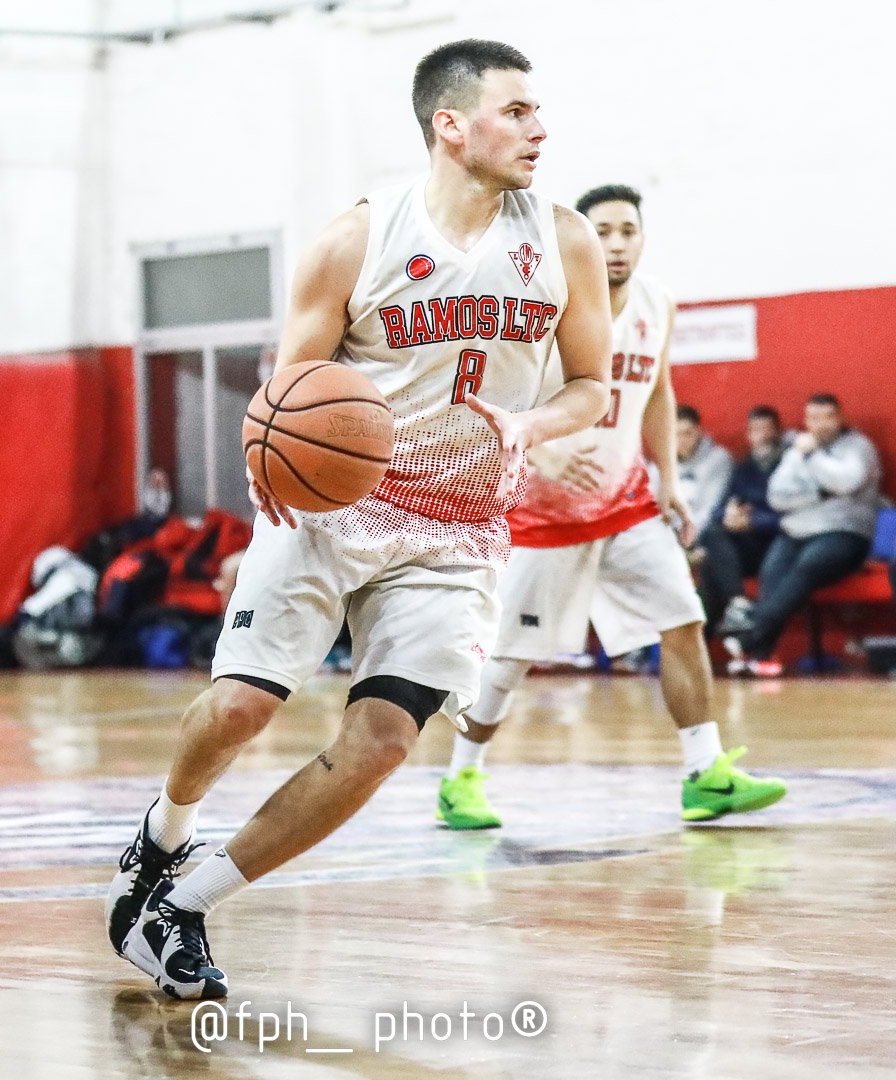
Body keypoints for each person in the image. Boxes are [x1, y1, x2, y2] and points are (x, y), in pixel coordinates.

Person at [104, 39, 615, 1000]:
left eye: (539, 112)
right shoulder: (357, 237)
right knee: (242, 708)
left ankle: (188, 905)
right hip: (336, 505)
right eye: (515, 111)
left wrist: (532, 423)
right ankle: (162, 834)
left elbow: (591, 386)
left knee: (383, 740)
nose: (538, 128)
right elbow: (292, 384)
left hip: (462, 526)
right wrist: (271, 445)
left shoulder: (564, 240)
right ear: (448, 124)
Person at [436, 183, 786, 832]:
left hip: (627, 505)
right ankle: (460, 777)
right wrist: (541, 452)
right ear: (578, 238)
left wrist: (670, 481)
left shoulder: (658, 303)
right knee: (509, 658)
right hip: (543, 516)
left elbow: (658, 391)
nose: (617, 242)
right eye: (603, 230)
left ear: (642, 237)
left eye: (628, 229)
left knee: (683, 618)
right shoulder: (539, 305)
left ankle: (705, 774)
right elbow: (484, 391)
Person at [722, 393, 881, 673]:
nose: (820, 424)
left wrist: (813, 457)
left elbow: (847, 481)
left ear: (840, 417)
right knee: (772, 569)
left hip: (844, 533)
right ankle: (762, 656)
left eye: (827, 417)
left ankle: (750, 639)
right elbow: (777, 495)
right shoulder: (797, 449)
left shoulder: (858, 447)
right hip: (796, 531)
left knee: (806, 566)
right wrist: (821, 493)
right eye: (813, 418)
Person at [698, 405, 785, 636]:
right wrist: (729, 517)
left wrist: (754, 521)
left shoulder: (789, 463)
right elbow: (718, 510)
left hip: (778, 544)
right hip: (746, 545)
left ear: (778, 432)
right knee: (713, 534)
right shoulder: (743, 469)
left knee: (712, 566)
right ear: (748, 434)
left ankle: (703, 641)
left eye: (767, 429)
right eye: (755, 429)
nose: (762, 435)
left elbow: (793, 517)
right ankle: (737, 605)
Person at [675, 404, 734, 541]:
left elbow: (709, 509)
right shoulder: (659, 465)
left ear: (699, 431)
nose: (682, 440)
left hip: (705, 533)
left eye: (687, 433)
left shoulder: (718, 459)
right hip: (668, 536)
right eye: (676, 434)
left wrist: (686, 538)